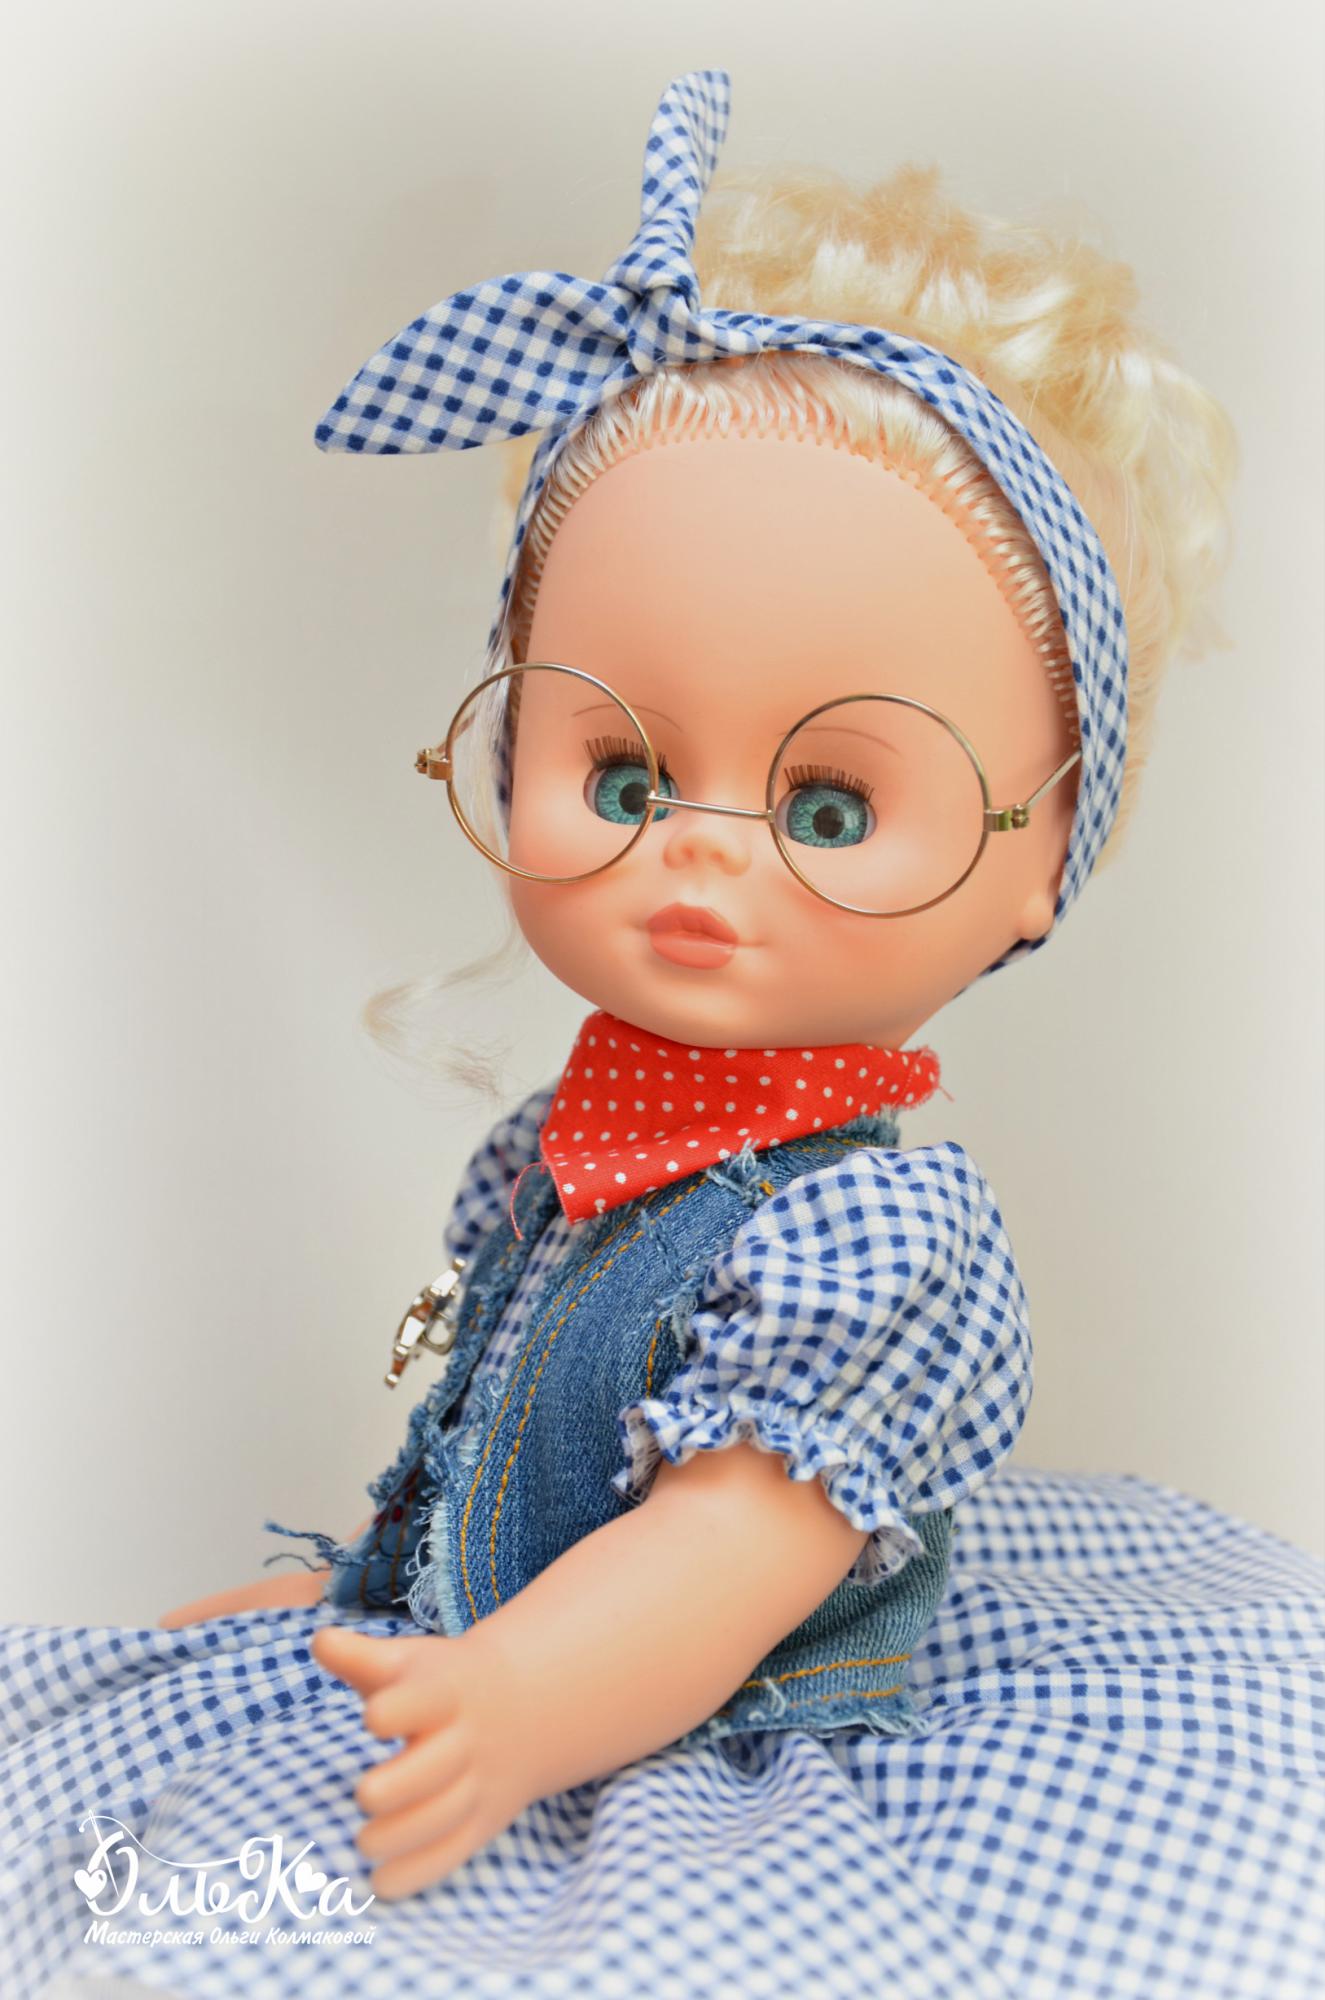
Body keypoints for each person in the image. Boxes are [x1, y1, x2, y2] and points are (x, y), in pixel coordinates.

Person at [5, 69, 1321, 2000]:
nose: (696, 851)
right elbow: (486, 1416)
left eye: (828, 806)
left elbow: (722, 1553)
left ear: (1043, 856)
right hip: (500, 1657)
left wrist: (517, 1703)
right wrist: (365, 1589)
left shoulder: (876, 1244)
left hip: (712, 1741)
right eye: (622, 772)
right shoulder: (562, 1146)